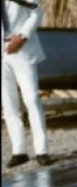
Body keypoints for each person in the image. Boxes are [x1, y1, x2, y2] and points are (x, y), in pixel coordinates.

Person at [3, 0, 50, 169]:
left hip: (22, 50)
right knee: (9, 105)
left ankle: (41, 151)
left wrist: (22, 36)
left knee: (32, 99)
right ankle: (19, 151)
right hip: (2, 53)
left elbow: (37, 11)